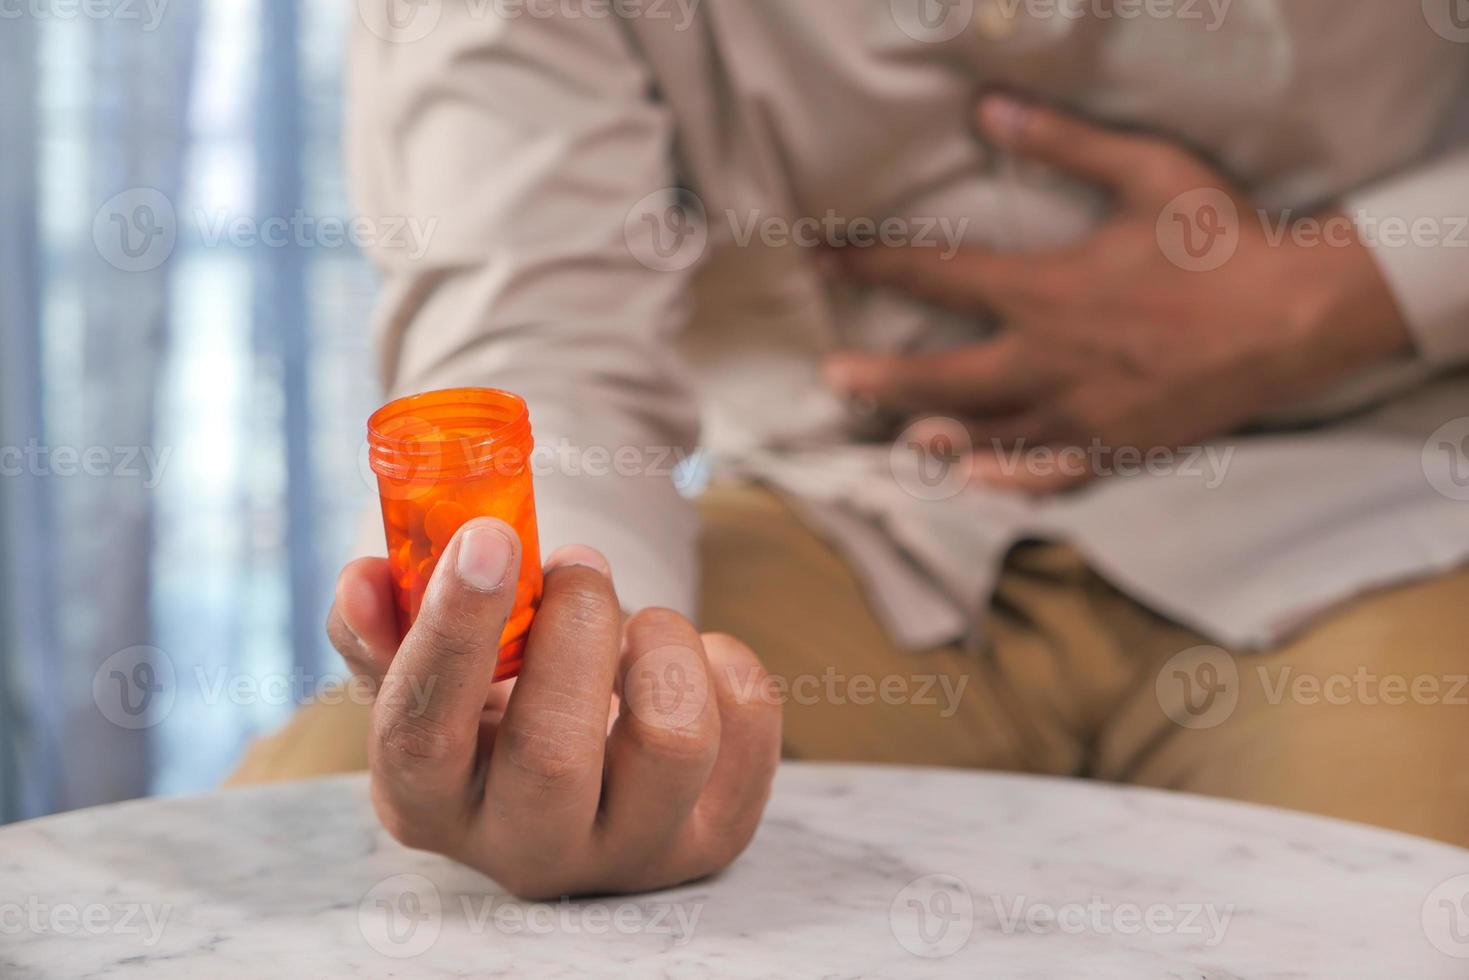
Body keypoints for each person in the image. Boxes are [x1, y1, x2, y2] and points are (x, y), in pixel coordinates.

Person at [231, 1, 1469, 896]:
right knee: (378, 820)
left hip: (1367, 500)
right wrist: (559, 697)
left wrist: (1342, 291)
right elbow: (538, 341)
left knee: (1399, 904)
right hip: (850, 520)